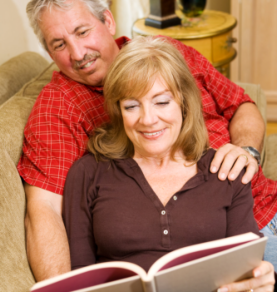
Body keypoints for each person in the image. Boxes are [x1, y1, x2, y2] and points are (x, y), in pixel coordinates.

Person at [18, 0, 277, 281]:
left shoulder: (168, 52)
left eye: (82, 32)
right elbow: (44, 210)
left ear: (108, 21)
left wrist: (246, 151)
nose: (78, 53)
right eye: (59, 44)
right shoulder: (57, 109)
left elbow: (241, 105)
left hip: (262, 210)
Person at [63, 36, 275, 292]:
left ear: (184, 103)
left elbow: (247, 271)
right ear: (119, 111)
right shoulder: (88, 173)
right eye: (131, 106)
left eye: (162, 102)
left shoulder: (227, 171)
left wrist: (259, 282)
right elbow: (81, 277)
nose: (148, 119)